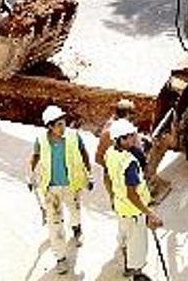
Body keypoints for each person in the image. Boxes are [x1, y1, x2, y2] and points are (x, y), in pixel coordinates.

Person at [28, 105, 93, 275]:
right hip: (51, 189)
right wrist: (31, 176)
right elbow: (35, 157)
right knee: (55, 224)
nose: (63, 127)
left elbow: (84, 153)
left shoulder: (73, 136)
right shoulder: (41, 140)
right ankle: (60, 258)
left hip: (72, 185)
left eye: (63, 123)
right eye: (59, 124)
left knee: (75, 211)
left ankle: (76, 228)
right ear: (49, 126)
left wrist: (89, 175)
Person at [104, 118, 163, 281]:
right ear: (121, 140)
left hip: (121, 207)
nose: (134, 138)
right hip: (134, 211)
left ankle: (127, 266)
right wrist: (149, 213)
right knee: (138, 246)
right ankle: (136, 274)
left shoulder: (110, 153)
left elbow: (110, 178)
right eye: (130, 136)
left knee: (124, 238)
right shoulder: (130, 163)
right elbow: (132, 194)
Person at [95, 99, 172, 204]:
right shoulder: (124, 130)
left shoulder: (110, 126)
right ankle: (147, 189)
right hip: (123, 174)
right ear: (127, 114)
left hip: (113, 171)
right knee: (159, 145)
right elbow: (139, 154)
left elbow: (98, 157)